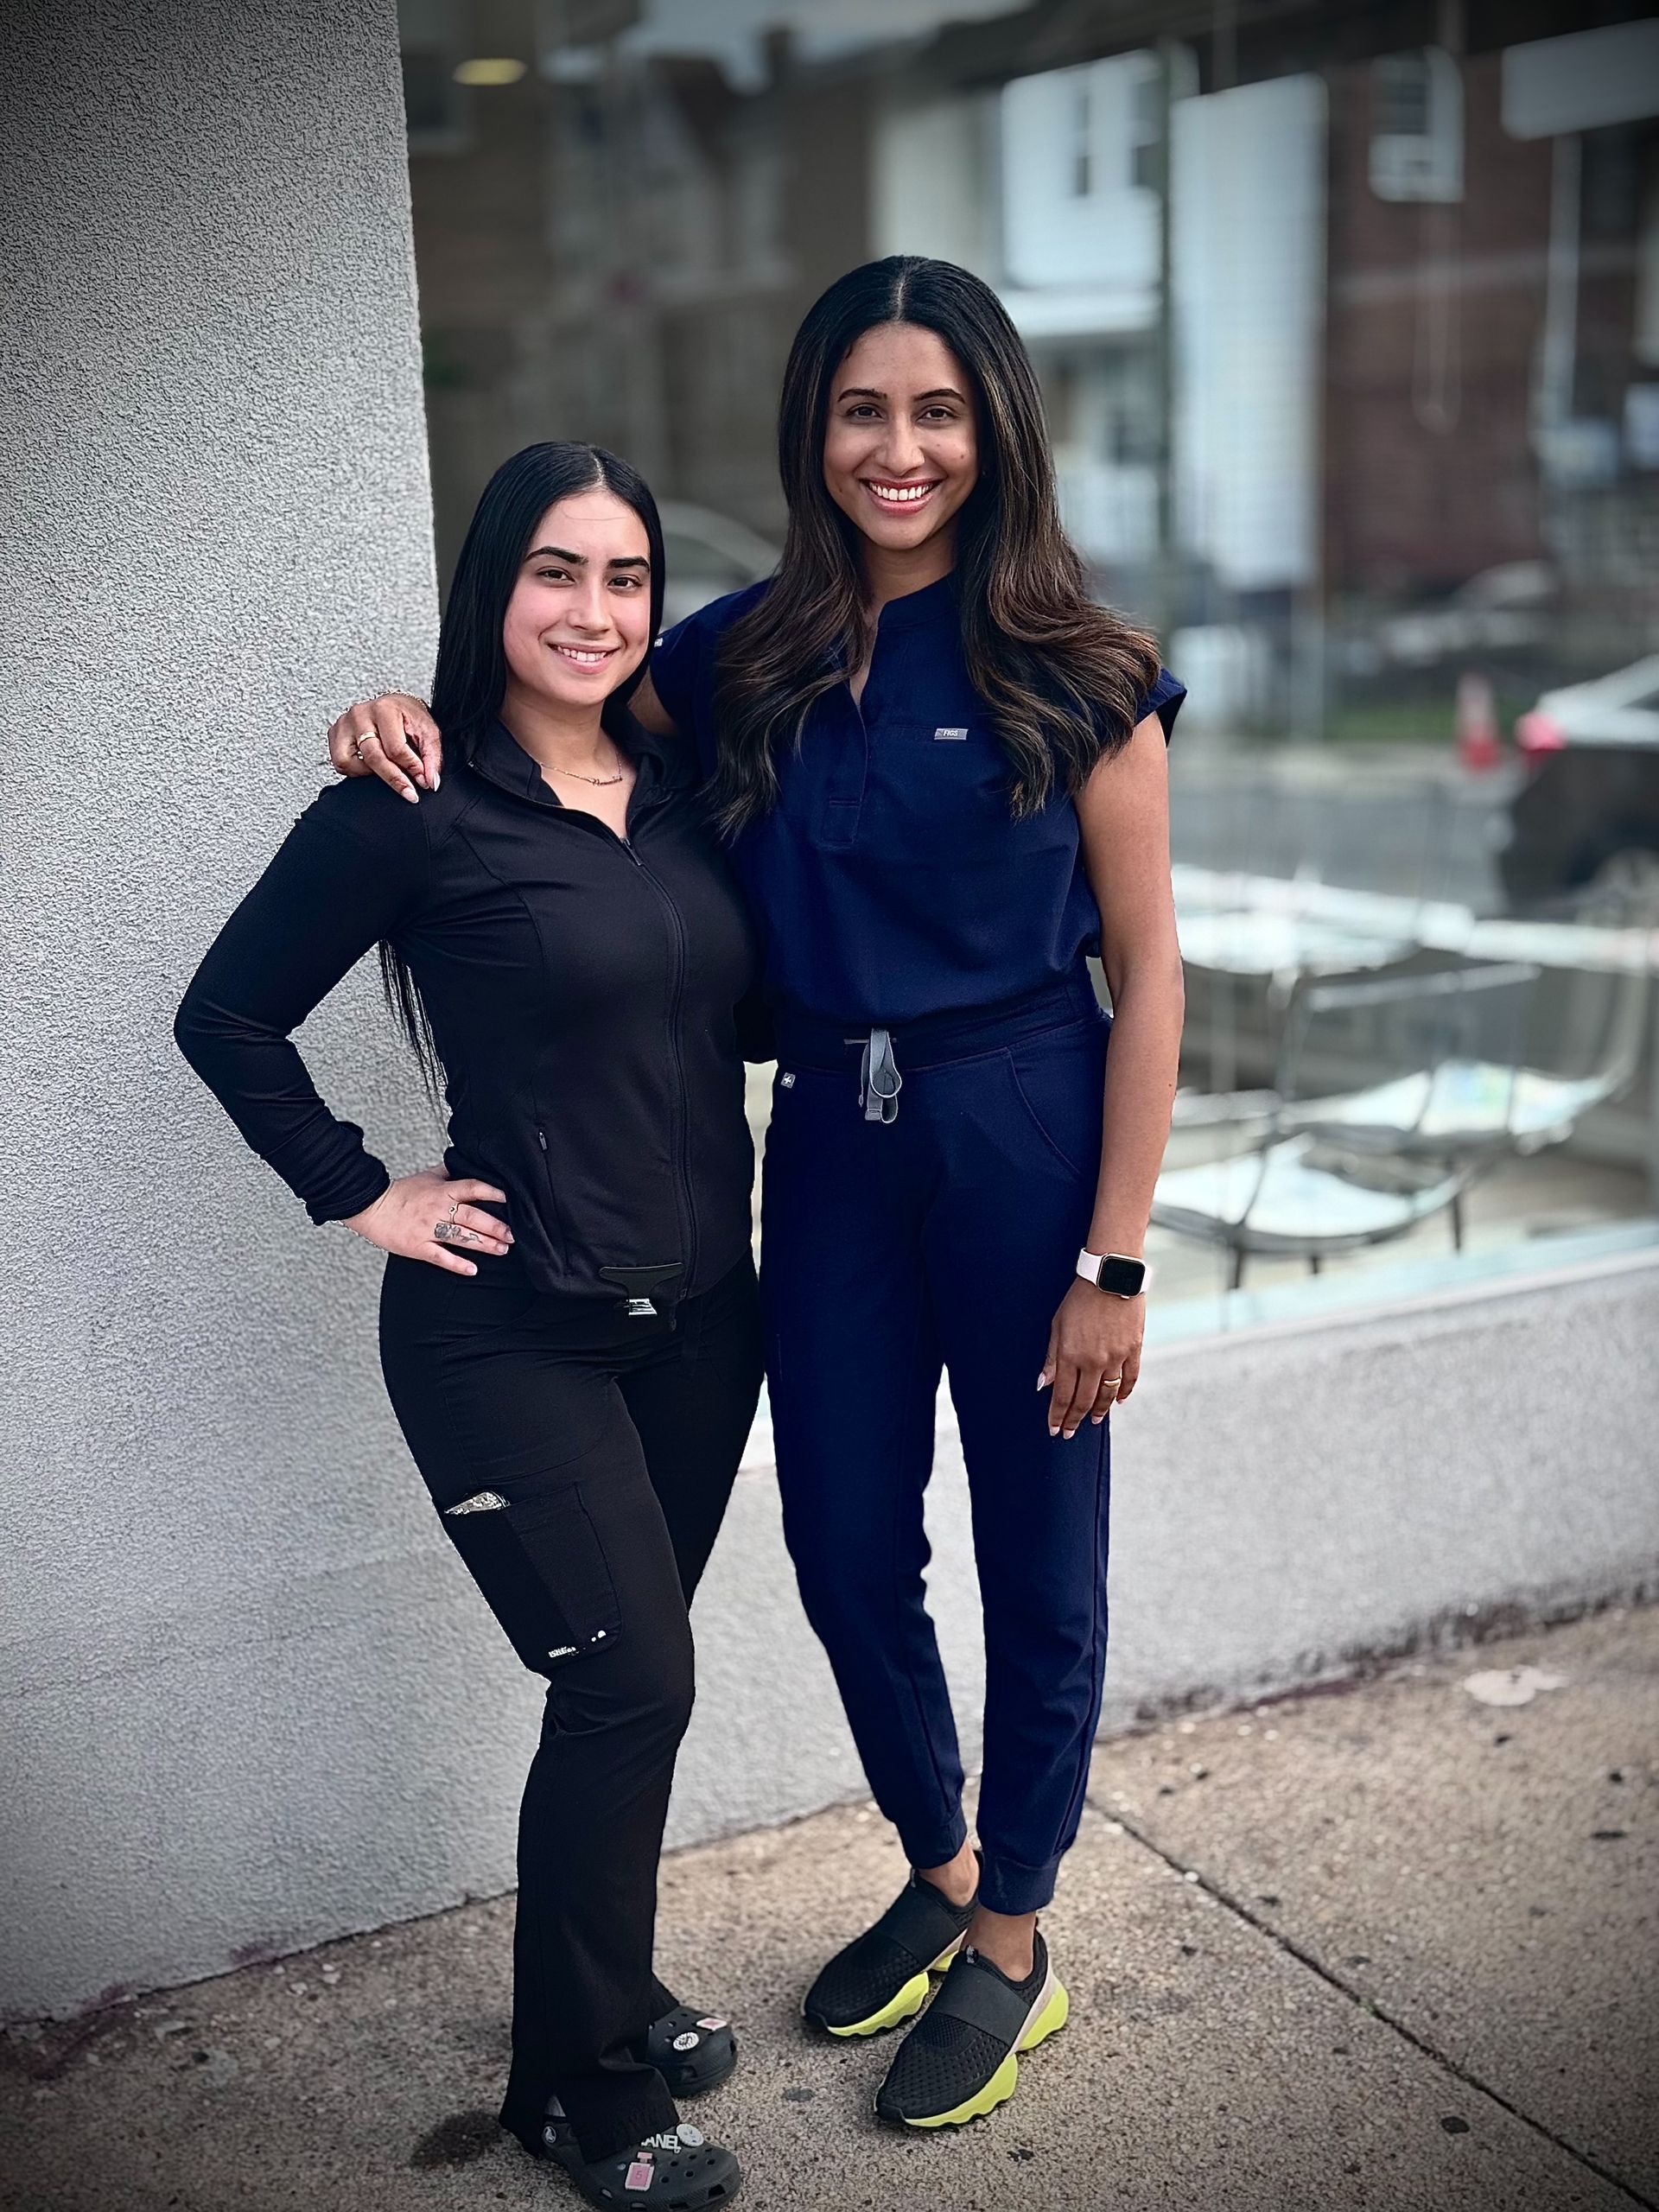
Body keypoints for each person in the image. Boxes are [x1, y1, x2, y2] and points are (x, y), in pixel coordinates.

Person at [329, 256, 1185, 2133]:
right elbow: (548, 726)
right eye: (864, 409)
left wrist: (1115, 1253)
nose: (901, 447)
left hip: (1028, 1125)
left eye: (939, 409)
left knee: (1041, 1544)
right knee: (844, 1541)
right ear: (814, 428)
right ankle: (945, 1863)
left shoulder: (1088, 671)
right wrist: (397, 708)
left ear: (995, 429)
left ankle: (1020, 1936)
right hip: (832, 1145)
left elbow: (1153, 969)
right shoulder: (735, 657)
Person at [176, 442, 761, 2210]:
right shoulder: (411, 800)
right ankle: (576, 2095)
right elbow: (227, 1013)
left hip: (704, 1323)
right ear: (493, 589)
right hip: (511, 1335)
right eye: (557, 573)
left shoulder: (685, 784)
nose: (596, 610)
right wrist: (365, 1189)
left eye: (628, 576)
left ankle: (613, 1989)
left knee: (632, 1700)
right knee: (626, 1678)